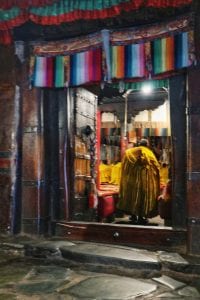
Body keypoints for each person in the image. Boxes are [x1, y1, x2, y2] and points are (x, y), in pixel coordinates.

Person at [117, 139, 160, 225]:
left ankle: (133, 215)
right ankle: (141, 217)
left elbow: (123, 166)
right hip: (144, 181)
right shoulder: (148, 153)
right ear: (147, 145)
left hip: (131, 181)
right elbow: (156, 168)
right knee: (142, 198)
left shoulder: (129, 152)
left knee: (131, 196)